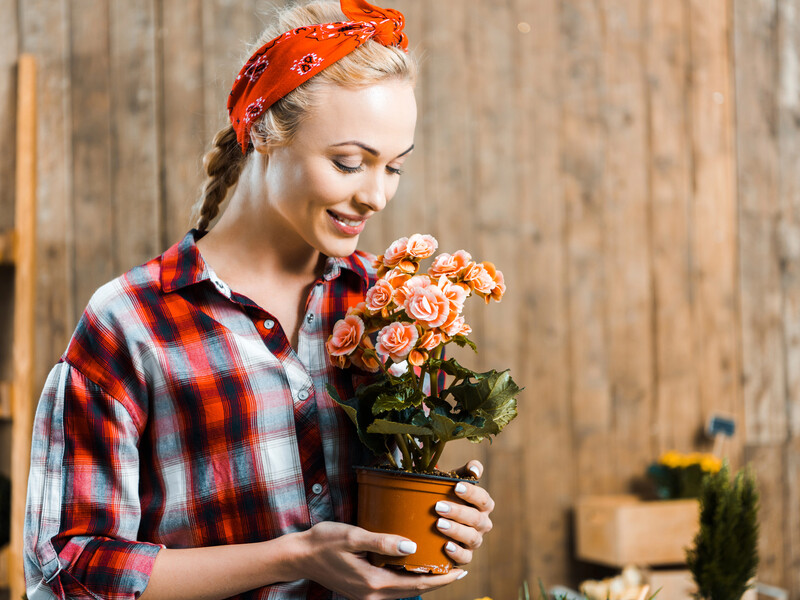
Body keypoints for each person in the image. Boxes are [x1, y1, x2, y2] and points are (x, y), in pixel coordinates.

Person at [23, 1, 495, 599]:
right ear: (264, 132)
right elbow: (67, 572)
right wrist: (294, 557)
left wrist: (449, 515)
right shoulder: (132, 323)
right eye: (348, 162)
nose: (375, 195)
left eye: (394, 167)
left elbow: (398, 529)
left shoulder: (389, 307)